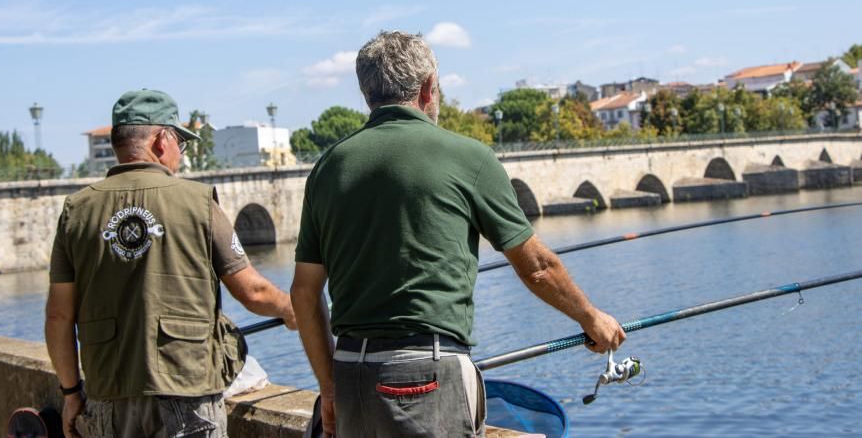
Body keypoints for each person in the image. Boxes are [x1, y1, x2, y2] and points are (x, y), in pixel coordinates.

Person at [291, 31, 626, 438]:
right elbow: (537, 268)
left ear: (368, 95)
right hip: (426, 376)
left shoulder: (327, 167)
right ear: (429, 87)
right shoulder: (468, 157)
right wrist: (593, 319)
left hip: (350, 374)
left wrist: (329, 387)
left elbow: (305, 293)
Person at [44, 89, 297, 438]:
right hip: (187, 389)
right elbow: (251, 291)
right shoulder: (197, 202)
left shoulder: (76, 212)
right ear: (162, 140)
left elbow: (58, 317)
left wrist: (72, 394)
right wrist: (291, 308)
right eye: (182, 142)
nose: (181, 152)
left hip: (109, 396)